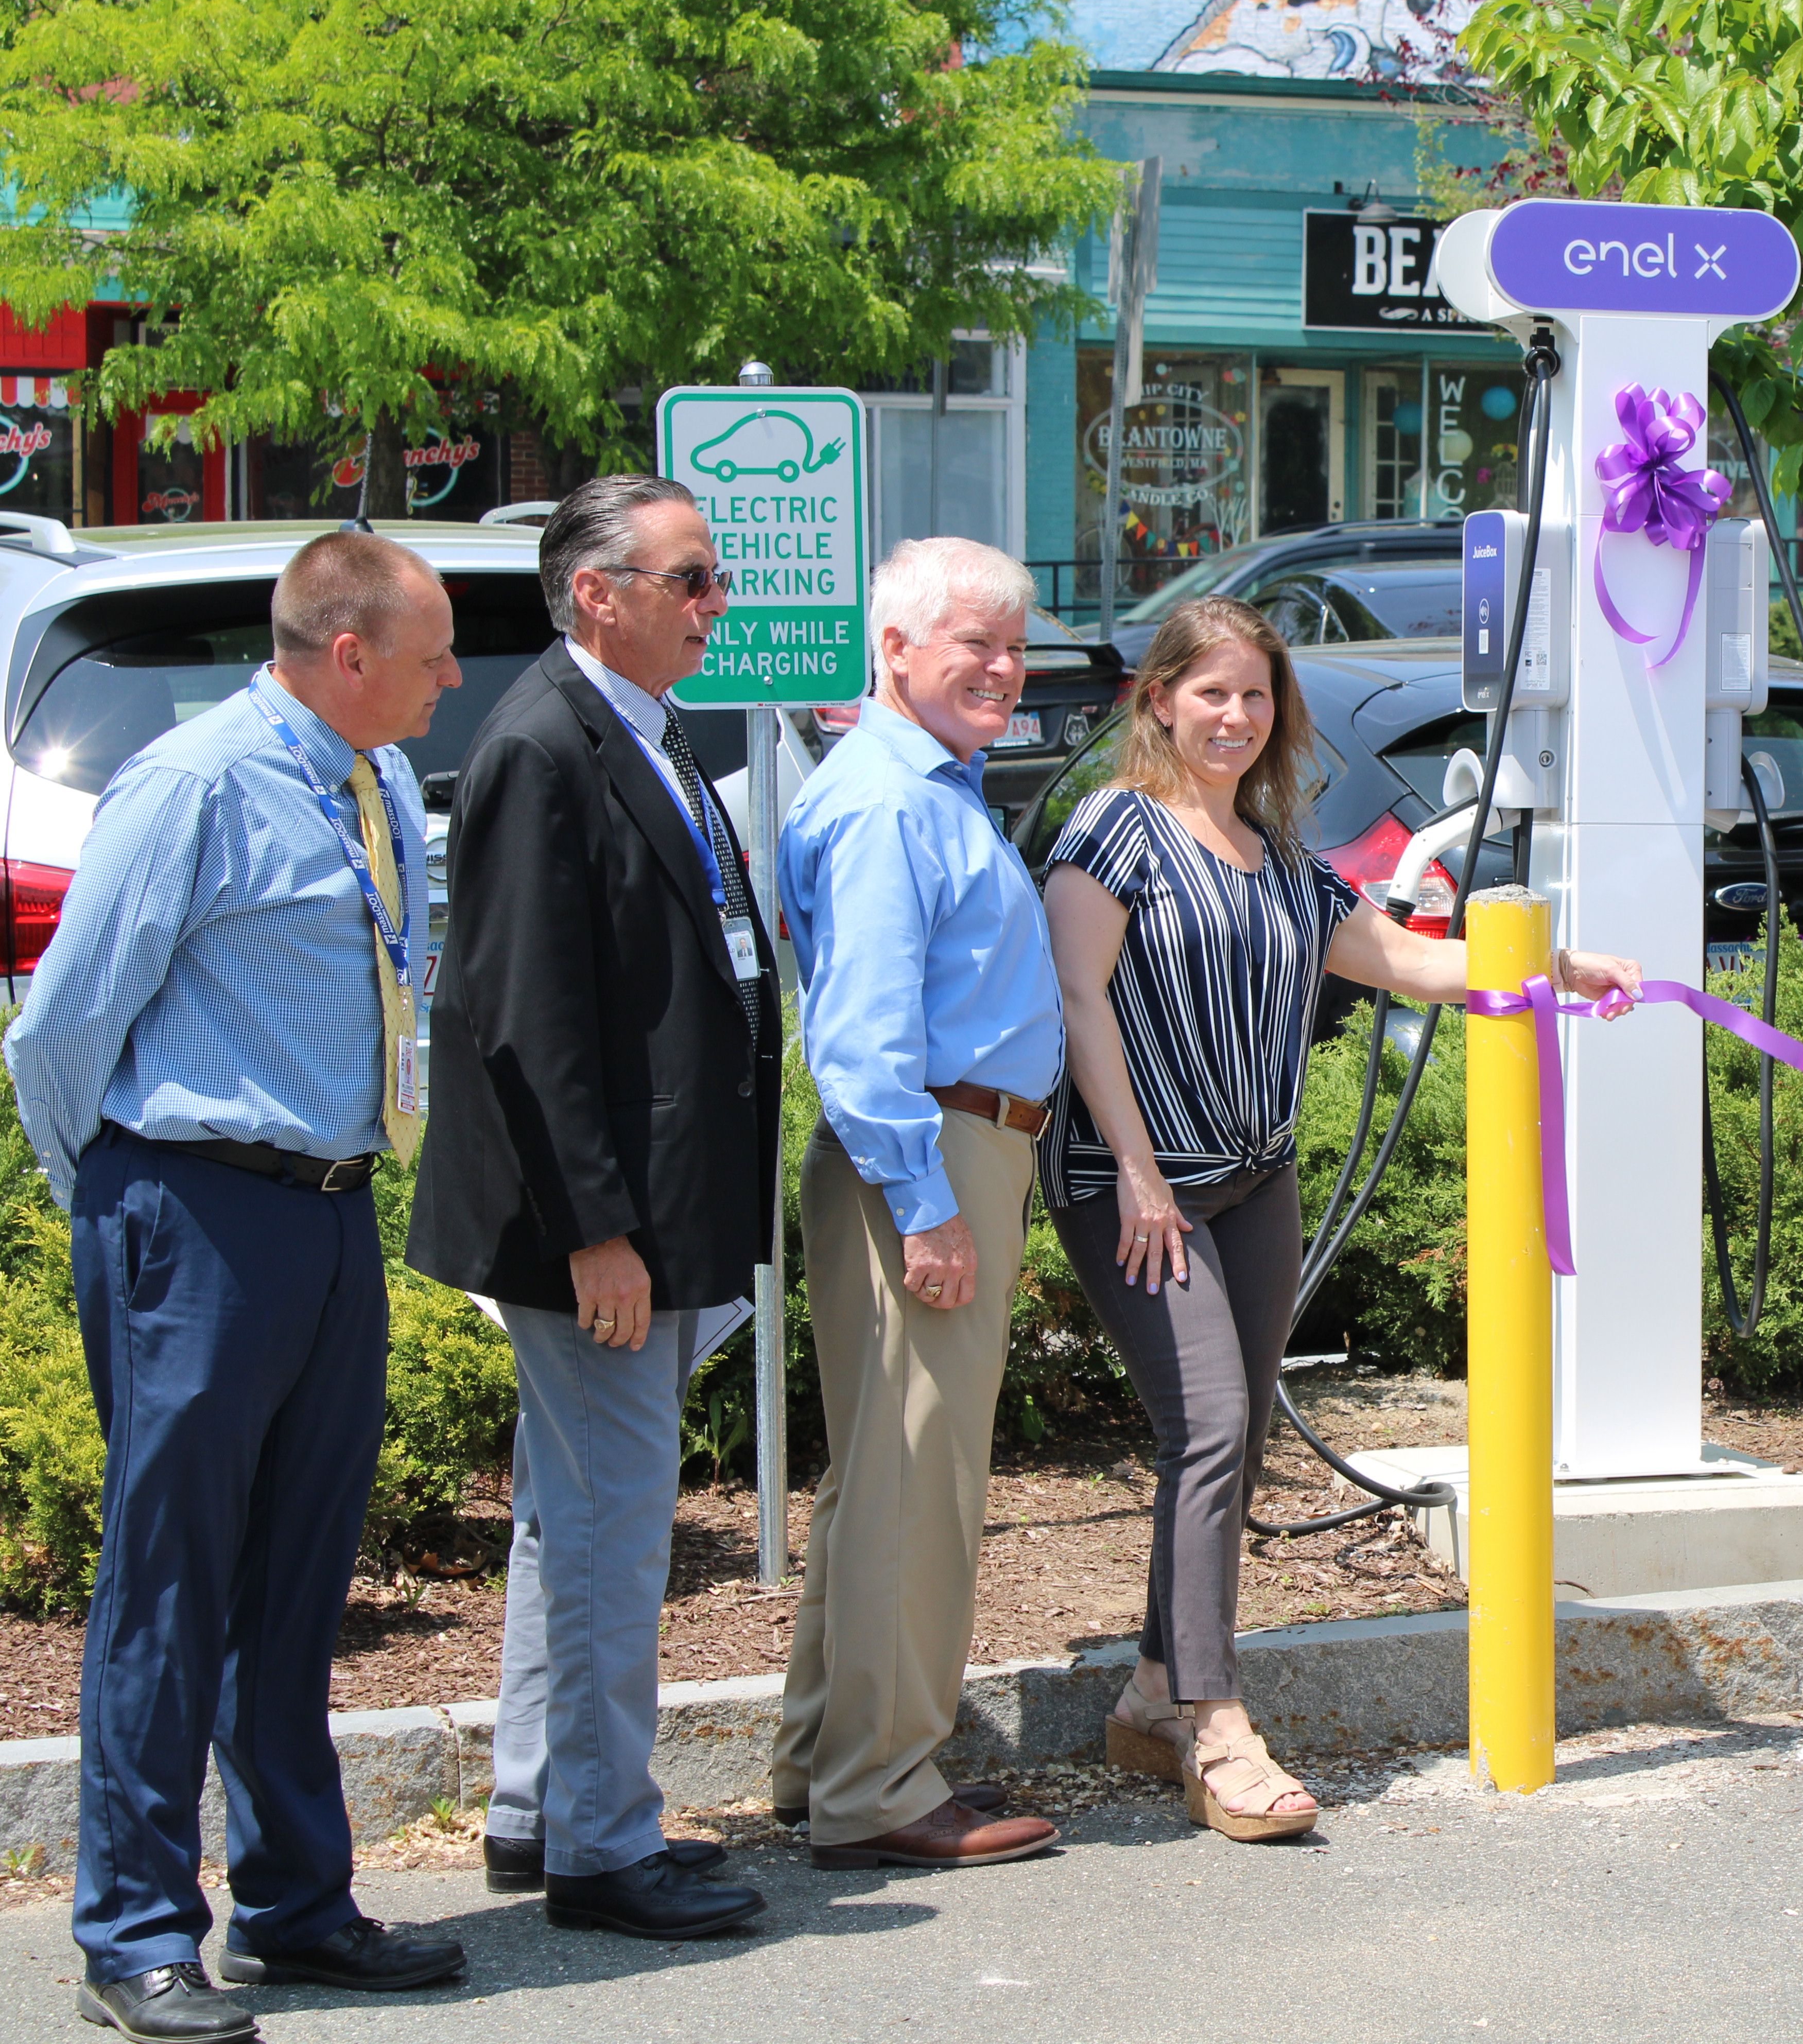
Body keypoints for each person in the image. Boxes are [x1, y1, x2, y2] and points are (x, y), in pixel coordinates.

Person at [1044, 597, 1639, 1840]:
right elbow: (1080, 1004)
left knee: (1240, 1427)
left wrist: (1554, 967)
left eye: (1256, 695)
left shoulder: (1277, 851)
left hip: (1253, 1178)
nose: (1236, 715)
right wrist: (1140, 1171)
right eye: (1210, 691)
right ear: (1159, 699)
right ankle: (1217, 1721)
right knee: (1205, 1422)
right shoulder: (1113, 832)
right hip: (1136, 1186)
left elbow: (1412, 959)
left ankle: (1155, 1684)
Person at [7, 531, 469, 2041]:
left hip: (334, 1212)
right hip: (194, 1214)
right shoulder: (195, 784)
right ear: (347, 654)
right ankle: (135, 1933)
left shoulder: (382, 783)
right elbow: (59, 1033)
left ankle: (297, 1904)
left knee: (294, 1585)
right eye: (432, 653)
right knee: (168, 1585)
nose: (453, 678)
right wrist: (124, 1207)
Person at [406, 474, 777, 1938]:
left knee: (570, 1520)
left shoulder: (650, 727)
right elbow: (526, 1017)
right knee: (618, 1527)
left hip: (659, 1201)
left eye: (715, 578)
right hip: (596, 1227)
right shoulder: (540, 748)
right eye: (690, 580)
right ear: (596, 593)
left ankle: (538, 1807)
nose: (716, 605)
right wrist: (595, 1230)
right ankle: (605, 1849)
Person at [768, 539, 1064, 1870]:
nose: (1003, 668)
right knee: (916, 1488)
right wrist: (929, 1204)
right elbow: (866, 1035)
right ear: (893, 649)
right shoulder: (893, 804)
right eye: (972, 644)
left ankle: (830, 1759)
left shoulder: (924, 785)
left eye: (1014, 645)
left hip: (940, 1153)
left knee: (881, 1478)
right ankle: (882, 1789)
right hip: (926, 1157)